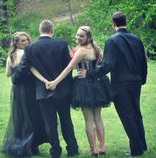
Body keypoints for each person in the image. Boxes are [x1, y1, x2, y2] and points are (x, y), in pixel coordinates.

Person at [79, 12, 148, 156]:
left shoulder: (112, 41)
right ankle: (141, 145)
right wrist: (142, 79)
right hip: (136, 82)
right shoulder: (136, 39)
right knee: (136, 113)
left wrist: (90, 74)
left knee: (127, 116)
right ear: (125, 21)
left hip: (121, 84)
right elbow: (143, 61)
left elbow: (108, 64)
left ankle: (136, 149)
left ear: (113, 23)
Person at [11, 20, 79, 158]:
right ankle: (72, 149)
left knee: (50, 124)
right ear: (52, 30)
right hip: (63, 90)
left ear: (39, 30)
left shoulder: (30, 48)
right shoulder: (62, 45)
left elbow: (24, 69)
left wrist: (14, 78)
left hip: (43, 91)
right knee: (66, 121)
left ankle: (56, 151)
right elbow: (68, 68)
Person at [46, 26, 112, 157]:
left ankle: (94, 150)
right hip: (98, 84)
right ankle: (102, 147)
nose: (78, 38)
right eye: (77, 35)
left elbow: (69, 68)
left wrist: (55, 82)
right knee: (98, 118)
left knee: (89, 119)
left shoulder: (81, 51)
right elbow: (103, 64)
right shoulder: (95, 48)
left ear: (88, 37)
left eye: (81, 36)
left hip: (83, 86)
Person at [3, 32, 48, 157]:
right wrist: (44, 80)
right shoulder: (26, 53)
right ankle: (32, 145)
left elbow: (8, 74)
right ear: (16, 42)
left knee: (20, 115)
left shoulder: (10, 55)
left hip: (17, 89)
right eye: (23, 41)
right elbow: (33, 70)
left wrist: (16, 70)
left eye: (27, 40)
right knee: (32, 114)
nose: (26, 42)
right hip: (29, 88)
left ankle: (22, 142)